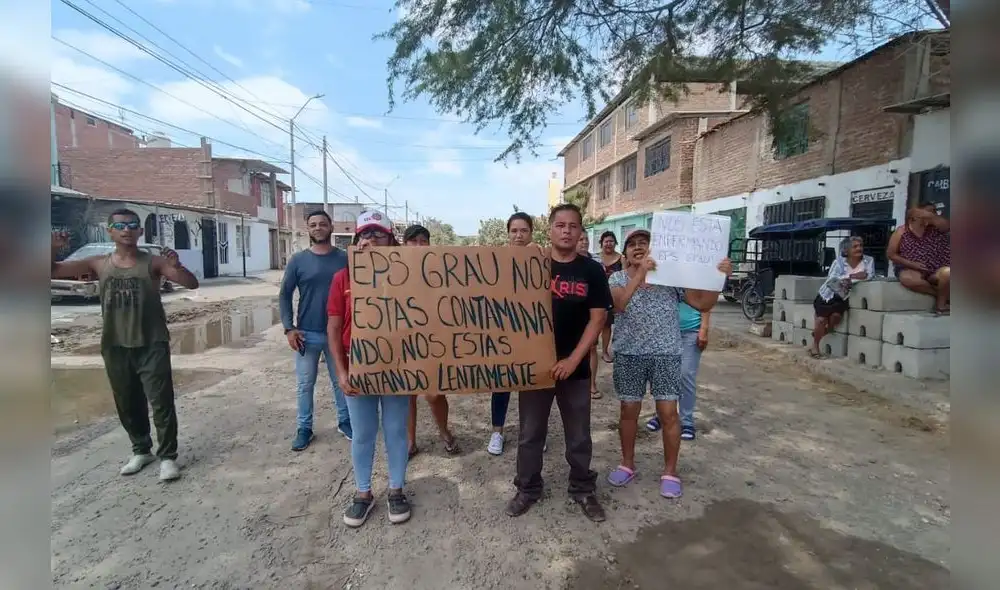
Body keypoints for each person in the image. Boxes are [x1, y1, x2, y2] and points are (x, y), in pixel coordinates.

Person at [51, 209, 200, 481]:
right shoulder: (98, 263)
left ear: (140, 231)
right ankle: (141, 449)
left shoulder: (153, 262)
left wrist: (177, 267)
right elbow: (53, 270)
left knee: (161, 402)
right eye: (120, 225)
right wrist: (52, 248)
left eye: (133, 225)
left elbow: (191, 284)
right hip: (115, 344)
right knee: (127, 402)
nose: (127, 229)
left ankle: (168, 457)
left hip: (151, 342)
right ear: (110, 231)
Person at [606, 229, 731, 499]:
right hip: (629, 354)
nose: (638, 248)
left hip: (666, 354)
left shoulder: (670, 281)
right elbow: (619, 306)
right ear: (624, 253)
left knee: (669, 413)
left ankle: (670, 472)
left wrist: (719, 277)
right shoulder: (616, 278)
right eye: (632, 245)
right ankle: (627, 464)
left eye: (644, 243)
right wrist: (640, 274)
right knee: (629, 411)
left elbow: (702, 303)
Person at [507, 203, 611, 522]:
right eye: (560, 225)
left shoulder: (591, 270)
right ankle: (527, 488)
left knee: (579, 435)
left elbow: (597, 320)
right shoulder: (530, 266)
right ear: (550, 230)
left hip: (575, 368)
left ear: (581, 232)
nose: (567, 231)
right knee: (530, 434)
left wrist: (572, 360)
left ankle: (582, 489)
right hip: (535, 369)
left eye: (573, 226)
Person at [328, 210, 412, 527]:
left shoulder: (408, 276)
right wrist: (341, 372)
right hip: (358, 365)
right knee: (362, 433)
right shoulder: (342, 279)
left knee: (394, 431)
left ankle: (396, 489)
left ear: (392, 240)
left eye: (378, 234)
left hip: (399, 366)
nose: (371, 241)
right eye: (365, 235)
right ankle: (363, 492)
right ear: (355, 241)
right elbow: (333, 328)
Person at [279, 210, 351, 452]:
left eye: (322, 224)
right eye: (313, 225)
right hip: (306, 334)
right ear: (307, 229)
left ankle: (345, 421)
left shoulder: (345, 259)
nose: (318, 227)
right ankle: (304, 428)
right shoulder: (298, 261)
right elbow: (285, 294)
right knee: (305, 385)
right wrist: (289, 328)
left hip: (338, 334)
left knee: (340, 380)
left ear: (331, 227)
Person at [402, 224, 459, 458]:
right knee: (407, 394)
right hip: (402, 341)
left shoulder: (440, 267)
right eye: (412, 241)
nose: (418, 246)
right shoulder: (391, 269)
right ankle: (410, 441)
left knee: (435, 393)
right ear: (405, 244)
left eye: (422, 241)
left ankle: (444, 432)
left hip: (434, 340)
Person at [487, 211, 533, 456]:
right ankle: (497, 432)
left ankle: (532, 432)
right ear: (508, 233)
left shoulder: (540, 260)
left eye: (523, 230)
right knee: (501, 384)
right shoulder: (495, 260)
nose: (518, 235)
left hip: (531, 333)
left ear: (531, 233)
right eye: (514, 230)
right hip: (501, 334)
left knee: (530, 384)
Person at [646, 302, 710, 440]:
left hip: (691, 330)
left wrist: (704, 328)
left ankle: (686, 421)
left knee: (685, 374)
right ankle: (662, 415)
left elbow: (706, 296)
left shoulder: (697, 279)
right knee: (662, 373)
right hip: (664, 329)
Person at [810, 236, 875, 358]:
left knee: (835, 318)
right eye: (855, 246)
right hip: (828, 295)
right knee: (821, 320)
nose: (859, 248)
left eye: (860, 246)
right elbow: (832, 280)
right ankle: (815, 346)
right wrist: (853, 276)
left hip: (843, 297)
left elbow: (869, 275)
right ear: (846, 250)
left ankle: (820, 333)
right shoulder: (838, 262)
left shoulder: (868, 260)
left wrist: (848, 278)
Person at [886, 203, 951, 315]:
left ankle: (941, 306)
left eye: (934, 212)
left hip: (937, 268)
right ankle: (941, 295)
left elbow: (947, 225)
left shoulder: (937, 227)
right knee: (909, 279)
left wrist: (931, 216)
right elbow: (891, 254)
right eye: (928, 213)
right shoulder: (902, 231)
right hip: (912, 268)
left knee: (947, 273)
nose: (931, 215)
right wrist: (912, 264)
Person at [577, 233, 601, 399]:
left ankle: (591, 384)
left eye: (586, 239)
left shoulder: (594, 265)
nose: (584, 242)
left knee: (591, 348)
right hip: (572, 316)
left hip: (590, 315)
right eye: (581, 239)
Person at [598, 231, 623, 364]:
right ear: (601, 243)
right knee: (600, 324)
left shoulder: (622, 259)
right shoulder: (595, 258)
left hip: (616, 297)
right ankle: (594, 350)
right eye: (606, 241)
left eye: (611, 241)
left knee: (612, 325)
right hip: (598, 296)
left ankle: (608, 351)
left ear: (615, 243)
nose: (608, 243)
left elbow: (626, 276)